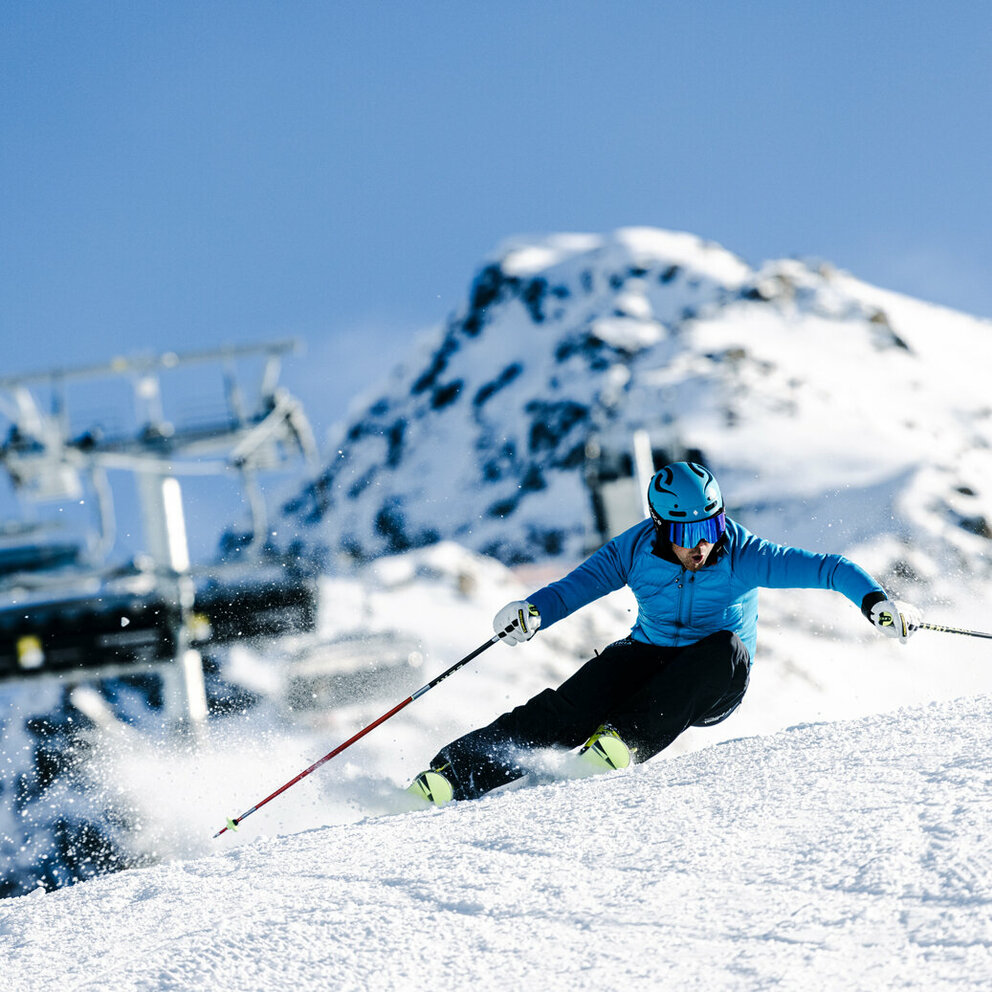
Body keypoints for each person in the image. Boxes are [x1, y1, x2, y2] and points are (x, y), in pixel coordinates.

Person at [408, 461, 921, 805]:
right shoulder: (632, 550)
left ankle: (622, 743)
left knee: (722, 648)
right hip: (647, 656)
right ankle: (451, 776)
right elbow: (573, 589)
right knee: (567, 709)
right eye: (685, 534)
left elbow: (828, 568)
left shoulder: (744, 554)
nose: (700, 546)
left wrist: (874, 600)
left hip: (713, 678)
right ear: (659, 528)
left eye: (709, 528)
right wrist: (532, 612)